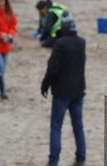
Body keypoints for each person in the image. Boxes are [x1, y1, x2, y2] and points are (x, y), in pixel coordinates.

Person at [41, 12, 86, 166]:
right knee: (78, 126)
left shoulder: (60, 44)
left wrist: (45, 84)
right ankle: (81, 158)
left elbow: (52, 69)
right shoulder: (82, 43)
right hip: (78, 91)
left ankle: (53, 161)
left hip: (61, 92)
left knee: (56, 127)